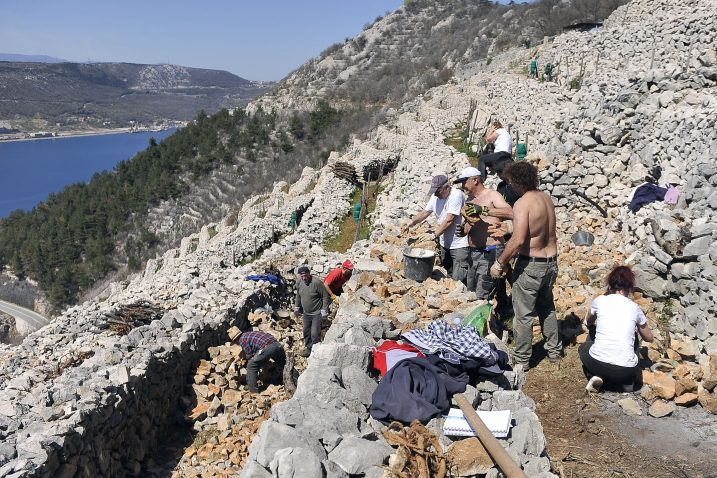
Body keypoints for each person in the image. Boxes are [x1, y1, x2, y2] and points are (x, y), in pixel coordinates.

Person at [490, 162, 560, 370]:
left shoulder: (522, 203)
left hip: (531, 264)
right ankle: (554, 353)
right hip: (551, 262)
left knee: (523, 313)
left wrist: (500, 262)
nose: (510, 186)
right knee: (547, 308)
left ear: (518, 182)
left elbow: (519, 240)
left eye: (511, 182)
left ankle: (522, 360)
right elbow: (536, 231)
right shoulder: (545, 198)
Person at [580, 266, 654, 392]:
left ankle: (594, 376)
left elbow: (588, 322)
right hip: (625, 371)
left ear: (610, 283)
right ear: (630, 286)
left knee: (583, 348)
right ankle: (626, 383)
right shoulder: (635, 308)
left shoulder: (600, 300)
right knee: (634, 336)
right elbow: (649, 338)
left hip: (597, 364)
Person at [454, 167, 512, 303]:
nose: (462, 186)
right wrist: (463, 230)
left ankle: (487, 319)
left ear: (475, 180)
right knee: (472, 290)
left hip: (490, 251)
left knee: (482, 294)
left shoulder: (492, 195)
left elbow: (510, 212)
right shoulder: (469, 201)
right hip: (473, 253)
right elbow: (468, 226)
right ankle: (496, 312)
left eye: (464, 182)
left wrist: (484, 210)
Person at [405, 174, 470, 284]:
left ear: (446, 187)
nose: (436, 194)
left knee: (458, 279)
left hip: (459, 244)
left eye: (438, 191)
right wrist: (411, 223)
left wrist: (433, 235)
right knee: (448, 276)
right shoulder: (436, 196)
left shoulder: (456, 195)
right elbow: (425, 212)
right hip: (445, 243)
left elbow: (450, 220)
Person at [230, 329, 286, 393]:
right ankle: (296, 379)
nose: (237, 344)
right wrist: (234, 362)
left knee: (251, 366)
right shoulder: (249, 334)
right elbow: (243, 352)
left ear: (236, 339)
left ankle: (254, 391)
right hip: (277, 345)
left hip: (267, 347)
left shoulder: (242, 339)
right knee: (284, 364)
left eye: (235, 342)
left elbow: (249, 355)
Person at [294, 265, 331, 357]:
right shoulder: (299, 282)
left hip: (317, 313)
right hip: (306, 313)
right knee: (306, 332)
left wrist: (324, 310)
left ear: (309, 274)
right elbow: (298, 295)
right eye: (302, 276)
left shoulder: (316, 283)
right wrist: (297, 307)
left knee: (314, 333)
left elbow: (325, 296)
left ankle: (316, 352)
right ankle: (309, 349)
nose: (304, 278)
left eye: (305, 276)